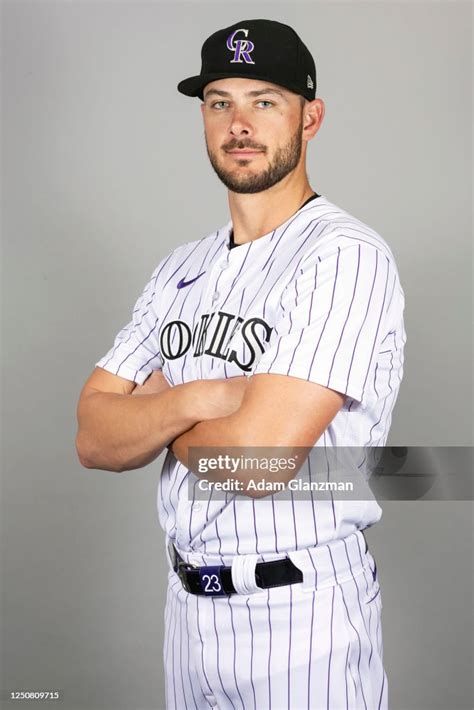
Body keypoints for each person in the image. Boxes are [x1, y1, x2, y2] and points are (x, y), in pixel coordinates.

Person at [76, 18, 406, 710]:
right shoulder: (178, 270)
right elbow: (93, 436)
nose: (239, 123)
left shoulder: (343, 256)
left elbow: (261, 462)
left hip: (303, 619)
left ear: (310, 117)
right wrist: (202, 400)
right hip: (186, 612)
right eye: (220, 101)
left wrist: (157, 415)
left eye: (264, 100)